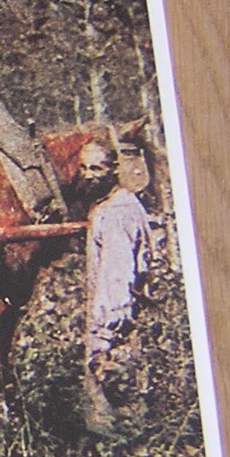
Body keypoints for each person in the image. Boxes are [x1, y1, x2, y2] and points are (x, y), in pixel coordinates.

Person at [78, 139, 153, 438]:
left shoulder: (116, 213)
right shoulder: (112, 206)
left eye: (96, 167)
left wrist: (105, 336)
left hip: (112, 325)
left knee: (111, 408)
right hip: (116, 321)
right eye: (83, 167)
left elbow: (118, 277)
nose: (88, 175)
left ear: (115, 169)